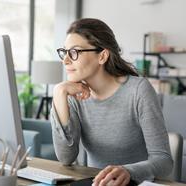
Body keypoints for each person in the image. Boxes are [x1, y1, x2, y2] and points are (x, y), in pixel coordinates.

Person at [50, 18, 173, 186]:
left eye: (74, 52)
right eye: (65, 52)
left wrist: (128, 172)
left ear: (102, 56)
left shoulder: (138, 91)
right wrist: (59, 93)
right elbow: (66, 158)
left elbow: (164, 161)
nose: (65, 60)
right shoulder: (73, 96)